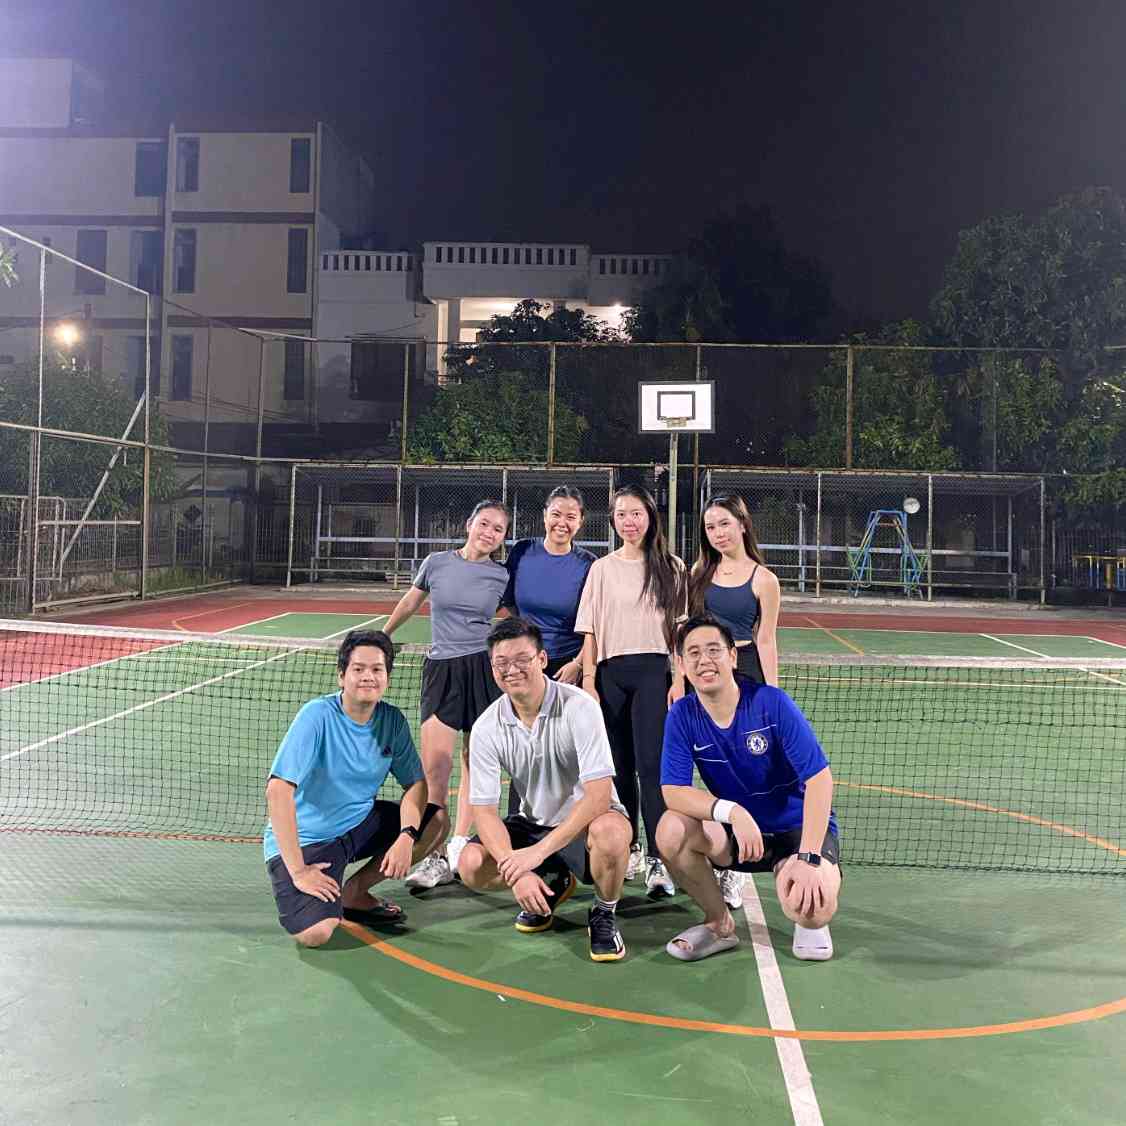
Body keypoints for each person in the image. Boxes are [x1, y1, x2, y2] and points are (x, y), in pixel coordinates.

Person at [656, 615, 841, 963]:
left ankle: (807, 907)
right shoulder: (682, 715)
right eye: (693, 653)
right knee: (670, 830)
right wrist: (733, 812)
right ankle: (719, 924)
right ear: (681, 665)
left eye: (714, 650)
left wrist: (808, 856)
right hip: (738, 835)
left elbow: (819, 779)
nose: (704, 660)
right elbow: (674, 791)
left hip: (795, 832)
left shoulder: (771, 703)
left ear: (733, 656)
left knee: (813, 909)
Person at [458, 617, 632, 962]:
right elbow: (485, 812)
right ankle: (553, 879)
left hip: (586, 823)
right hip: (533, 824)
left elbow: (599, 796)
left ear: (542, 659)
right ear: (492, 668)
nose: (511, 670)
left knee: (611, 834)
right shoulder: (486, 727)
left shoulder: (580, 707)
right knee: (471, 864)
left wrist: (536, 855)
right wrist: (517, 871)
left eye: (522, 659)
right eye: (501, 663)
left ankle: (603, 911)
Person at [263, 629, 443, 947]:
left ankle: (355, 892)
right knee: (316, 933)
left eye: (377, 669)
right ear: (341, 676)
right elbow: (278, 791)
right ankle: (310, 887)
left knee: (436, 822)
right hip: (311, 838)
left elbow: (415, 784)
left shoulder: (392, 721)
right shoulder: (317, 716)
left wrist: (407, 835)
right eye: (358, 669)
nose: (368, 677)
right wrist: (299, 871)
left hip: (360, 824)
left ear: (387, 677)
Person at [383, 499, 511, 889]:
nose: (489, 532)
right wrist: (383, 637)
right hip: (441, 670)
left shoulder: (501, 576)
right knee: (435, 768)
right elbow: (411, 601)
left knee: (476, 763)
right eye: (484, 523)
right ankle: (434, 854)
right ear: (469, 524)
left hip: (482, 670)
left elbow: (514, 621)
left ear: (503, 538)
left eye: (498, 529)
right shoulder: (436, 563)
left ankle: (458, 844)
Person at [575, 484, 685, 898]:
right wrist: (589, 681)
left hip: (654, 675)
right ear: (613, 520)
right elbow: (589, 630)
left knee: (651, 768)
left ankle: (659, 857)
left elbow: (679, 633)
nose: (629, 521)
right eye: (621, 514)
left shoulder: (672, 567)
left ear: (650, 516)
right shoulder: (601, 569)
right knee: (617, 768)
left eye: (636, 513)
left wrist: (679, 681)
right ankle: (631, 848)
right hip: (610, 677)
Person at [687, 492, 782, 911]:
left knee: (745, 768)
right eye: (710, 527)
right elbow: (687, 631)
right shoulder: (699, 573)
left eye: (724, 523)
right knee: (709, 768)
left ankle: (739, 865)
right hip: (704, 674)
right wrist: (682, 679)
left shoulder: (764, 579)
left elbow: (767, 639)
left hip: (745, 673)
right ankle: (717, 855)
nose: (718, 533)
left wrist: (773, 696)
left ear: (742, 524)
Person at [501, 485, 595, 685]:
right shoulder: (522, 551)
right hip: (526, 660)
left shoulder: (589, 564)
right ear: (545, 516)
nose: (562, 523)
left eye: (570, 517)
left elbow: (595, 625)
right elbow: (509, 602)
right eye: (556, 514)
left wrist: (577, 665)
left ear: (580, 521)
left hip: (567, 665)